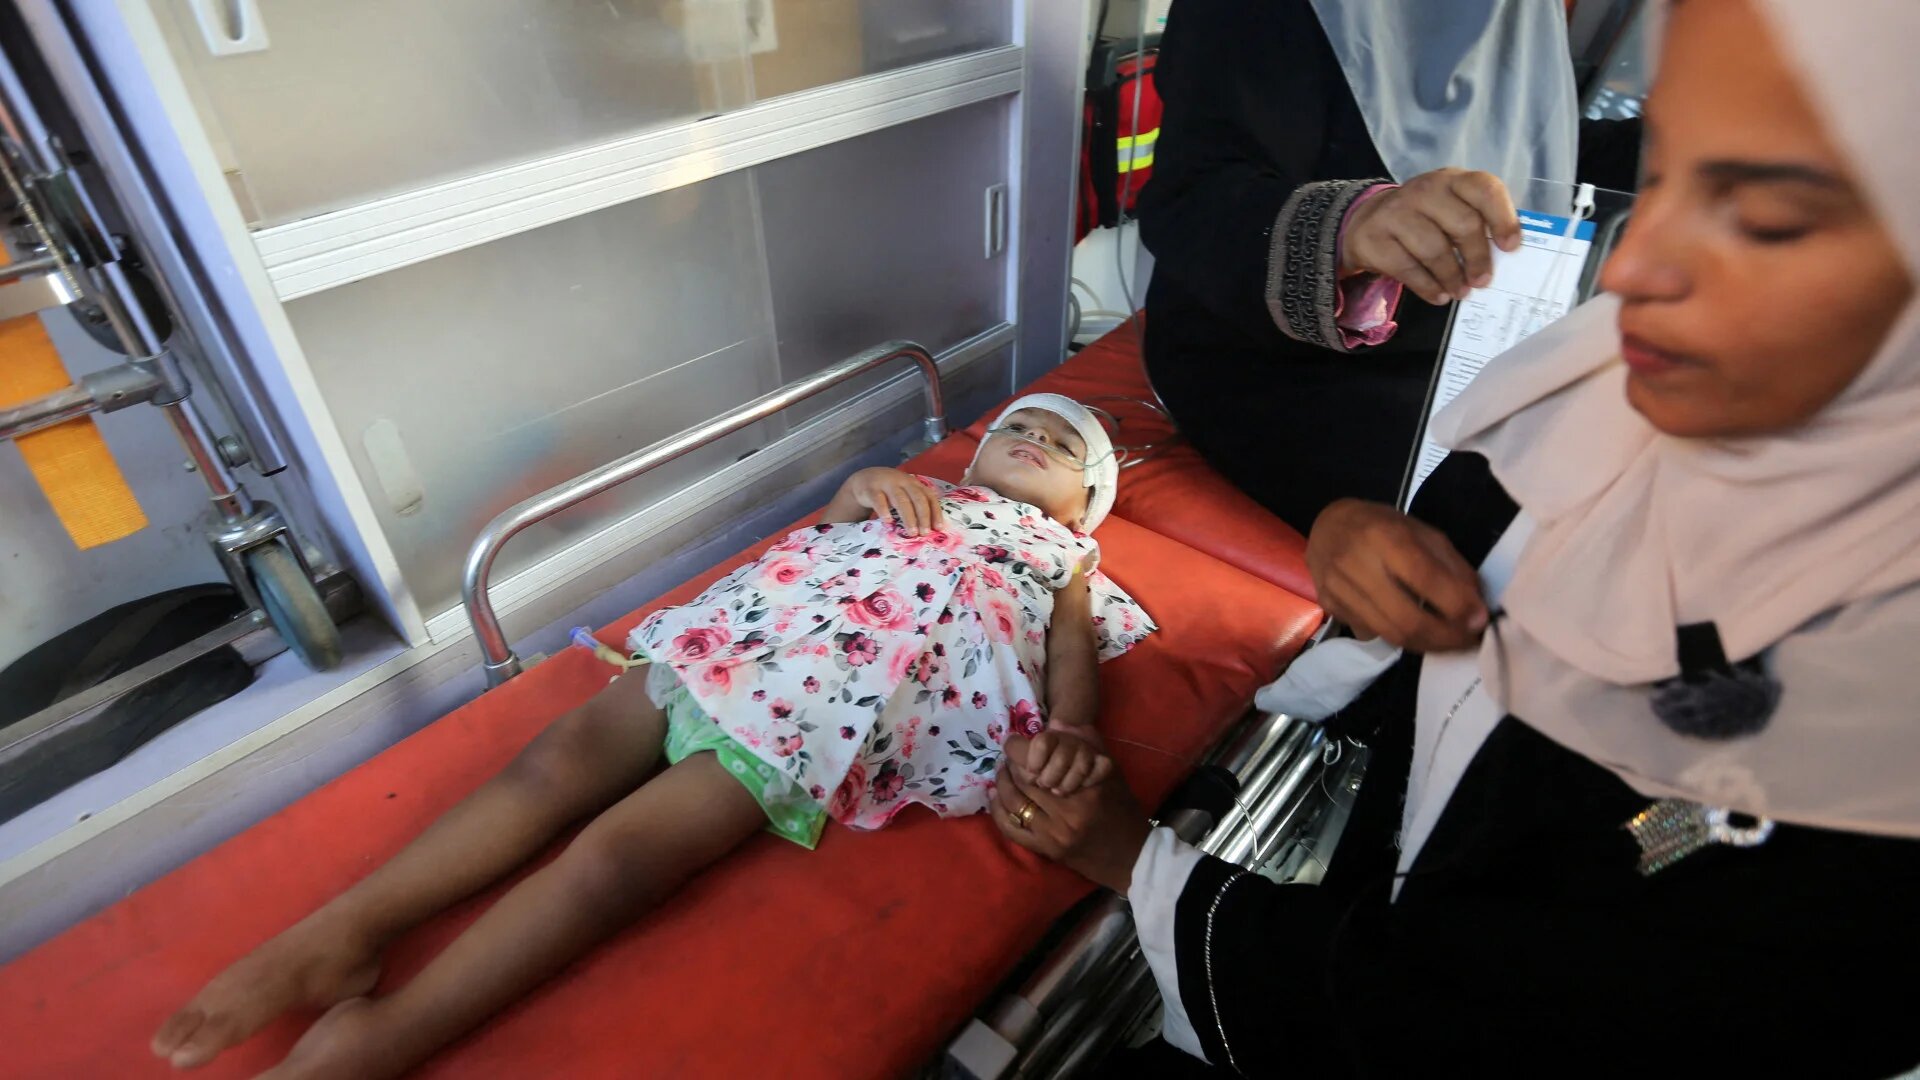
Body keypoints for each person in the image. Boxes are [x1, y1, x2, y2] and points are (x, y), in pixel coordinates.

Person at [993, 0, 1920, 1074]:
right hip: (1292, 388)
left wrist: (1142, 864)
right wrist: (1371, 540)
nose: (1623, 269)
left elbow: (1475, 998)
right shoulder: (1620, 419)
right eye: (1670, 182)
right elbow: (1486, 598)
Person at [148, 396, 1155, 1078]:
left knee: (619, 860)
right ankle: (342, 930)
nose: (1035, 438)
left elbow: (1069, 654)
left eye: (1065, 449)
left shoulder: (1062, 559)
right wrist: (854, 491)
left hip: (824, 710)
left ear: (1086, 508)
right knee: (551, 765)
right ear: (973, 453)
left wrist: (1073, 730)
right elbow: (823, 537)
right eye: (1019, 426)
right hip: (733, 639)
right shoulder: (914, 491)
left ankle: (390, 1033)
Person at [1138, 0, 1597, 533]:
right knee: (1539, 512)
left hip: (1487, 341)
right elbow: (1189, 200)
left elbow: (1533, 145)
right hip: (1285, 369)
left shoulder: (1523, 12)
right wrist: (1350, 227)